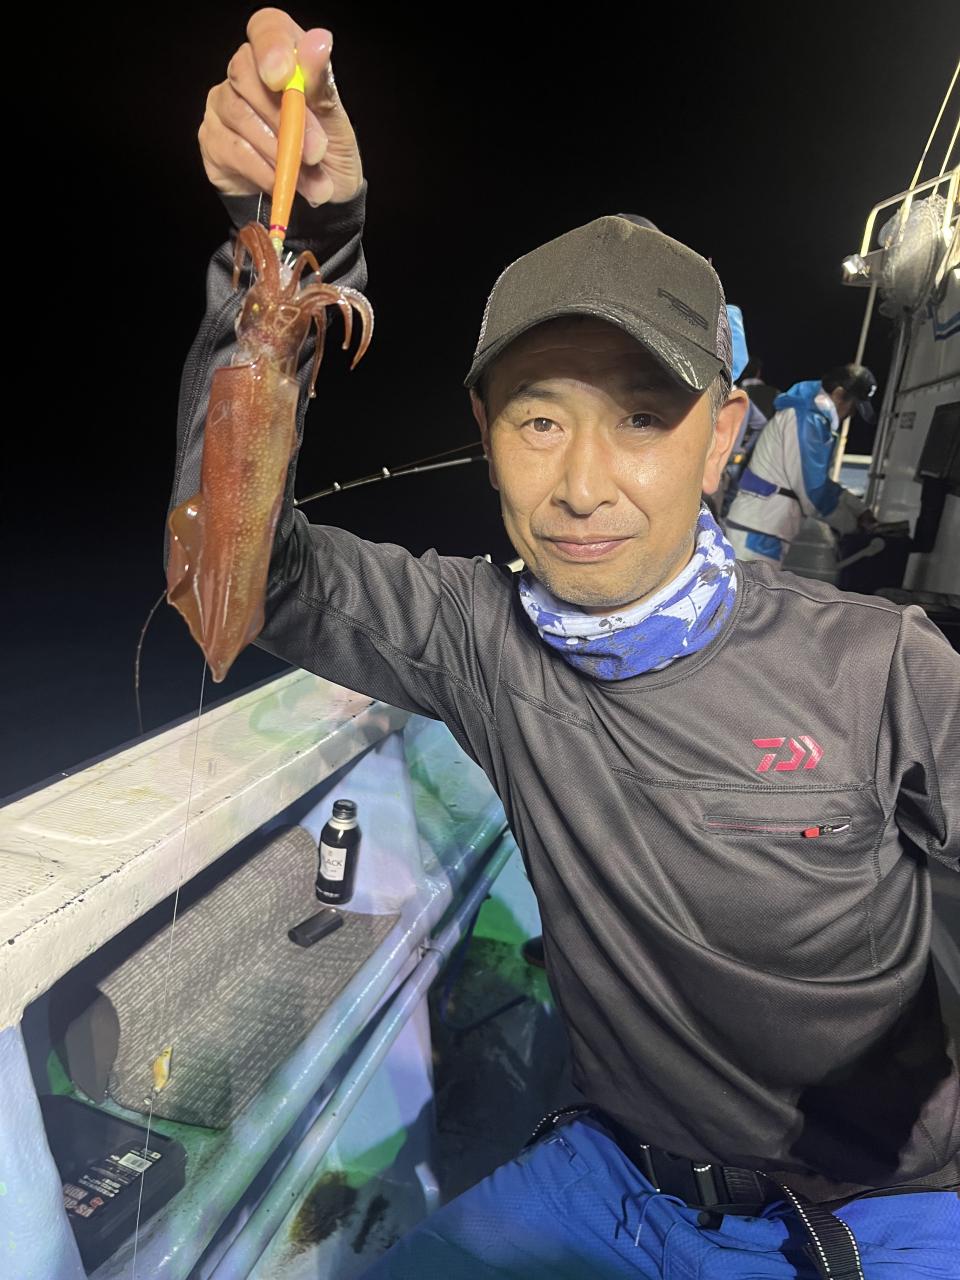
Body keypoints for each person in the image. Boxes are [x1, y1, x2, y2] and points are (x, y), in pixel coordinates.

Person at [180, 12, 960, 1276]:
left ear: (722, 438)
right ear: (484, 430)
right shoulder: (479, 636)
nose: (583, 485)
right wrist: (286, 260)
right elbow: (236, 569)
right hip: (614, 1175)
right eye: (539, 419)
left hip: (887, 1208)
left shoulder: (885, 666)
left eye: (643, 418)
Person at [725, 366, 880, 566]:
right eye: (853, 407)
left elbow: (821, 484)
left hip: (762, 528)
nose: (851, 415)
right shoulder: (807, 420)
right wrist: (854, 526)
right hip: (758, 531)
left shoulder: (808, 416)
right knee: (746, 586)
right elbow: (813, 493)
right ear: (838, 394)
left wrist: (859, 509)